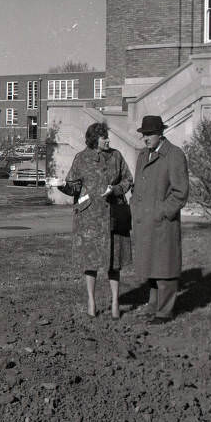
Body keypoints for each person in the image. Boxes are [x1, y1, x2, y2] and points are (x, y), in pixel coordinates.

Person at [54, 122, 133, 320]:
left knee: (114, 261)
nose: (108, 140)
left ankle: (115, 301)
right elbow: (73, 187)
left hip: (113, 215)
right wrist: (62, 185)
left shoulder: (116, 156)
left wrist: (115, 190)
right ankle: (91, 300)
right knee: (90, 261)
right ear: (94, 139)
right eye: (104, 137)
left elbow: (127, 180)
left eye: (107, 136)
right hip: (89, 219)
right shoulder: (81, 158)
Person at [131, 115, 189, 324]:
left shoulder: (174, 155)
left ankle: (164, 312)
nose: (146, 138)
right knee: (151, 266)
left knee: (165, 267)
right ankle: (153, 306)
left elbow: (180, 192)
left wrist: (162, 212)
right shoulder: (143, 156)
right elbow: (138, 188)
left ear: (160, 133)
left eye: (150, 134)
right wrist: (135, 208)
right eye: (143, 134)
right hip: (145, 221)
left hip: (163, 222)